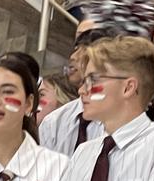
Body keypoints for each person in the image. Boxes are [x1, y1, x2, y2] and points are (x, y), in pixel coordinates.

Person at [51, 36, 154, 181]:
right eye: (84, 81)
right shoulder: (83, 153)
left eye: (93, 80)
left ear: (128, 87)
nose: (82, 90)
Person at [39, 28, 118, 156]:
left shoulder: (122, 119)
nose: (73, 57)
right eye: (76, 49)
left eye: (85, 49)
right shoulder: (53, 122)